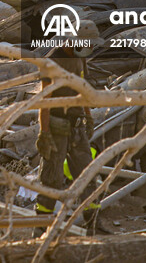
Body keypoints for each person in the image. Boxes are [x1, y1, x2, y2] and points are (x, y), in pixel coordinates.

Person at [35, 20, 99, 224]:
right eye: (87, 44)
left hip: (76, 125)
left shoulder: (81, 57)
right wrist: (44, 133)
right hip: (56, 125)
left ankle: (93, 224)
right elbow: (44, 100)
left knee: (87, 173)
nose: (89, 48)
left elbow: (83, 88)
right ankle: (42, 226)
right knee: (52, 177)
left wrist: (88, 116)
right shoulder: (52, 62)